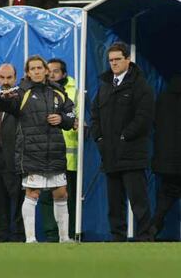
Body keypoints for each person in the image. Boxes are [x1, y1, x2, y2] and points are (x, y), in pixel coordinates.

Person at [0, 55, 75, 243]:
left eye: (39, 68)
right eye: (33, 69)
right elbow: (2, 102)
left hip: (54, 150)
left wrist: (62, 119)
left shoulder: (58, 91)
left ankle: (64, 238)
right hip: (31, 152)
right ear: (27, 73)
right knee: (32, 193)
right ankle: (30, 239)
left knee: (61, 192)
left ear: (46, 70)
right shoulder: (21, 92)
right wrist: (1, 97)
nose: (37, 71)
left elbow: (70, 114)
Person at [91, 42, 154, 242]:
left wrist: (124, 137)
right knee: (114, 202)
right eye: (111, 60)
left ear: (128, 59)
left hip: (132, 153)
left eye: (118, 59)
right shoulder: (105, 86)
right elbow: (95, 115)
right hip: (109, 154)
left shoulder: (140, 85)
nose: (114, 64)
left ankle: (145, 237)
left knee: (139, 200)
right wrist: (99, 138)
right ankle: (117, 237)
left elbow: (144, 118)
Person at [39, 58, 78, 241]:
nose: (51, 74)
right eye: (50, 70)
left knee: (67, 198)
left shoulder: (75, 92)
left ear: (64, 74)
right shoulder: (42, 91)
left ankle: (68, 233)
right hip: (46, 154)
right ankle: (51, 235)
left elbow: (78, 120)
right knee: (45, 197)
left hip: (71, 158)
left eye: (55, 71)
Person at [0, 64, 24, 242]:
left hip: (14, 155)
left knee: (18, 198)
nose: (6, 82)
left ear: (15, 78)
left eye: (9, 78)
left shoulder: (20, 99)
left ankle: (18, 236)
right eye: (2, 78)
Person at [149, 76, 181, 239]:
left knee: (167, 194)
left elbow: (153, 122)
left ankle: (155, 225)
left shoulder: (162, 98)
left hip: (166, 159)